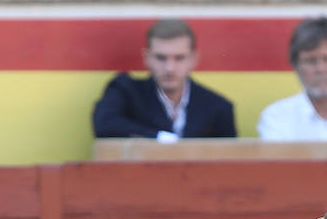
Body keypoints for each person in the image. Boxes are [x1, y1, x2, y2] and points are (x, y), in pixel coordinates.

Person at [92, 18, 237, 140]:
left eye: (179, 58)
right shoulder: (126, 92)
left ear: (193, 59)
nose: (169, 68)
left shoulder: (217, 107)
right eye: (161, 58)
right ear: (147, 58)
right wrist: (160, 137)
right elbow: (104, 125)